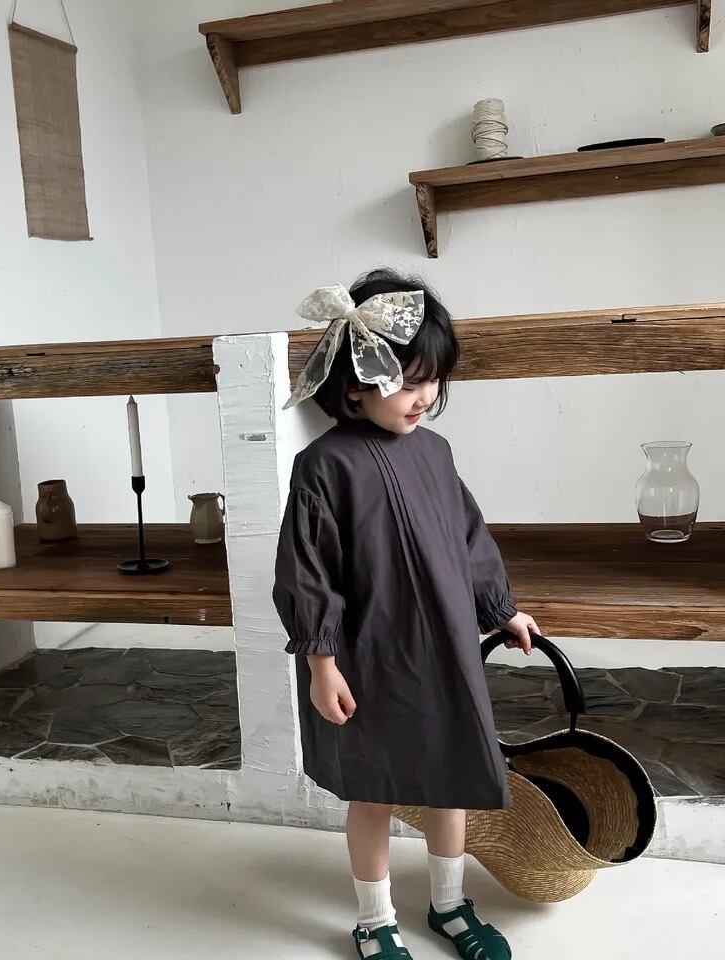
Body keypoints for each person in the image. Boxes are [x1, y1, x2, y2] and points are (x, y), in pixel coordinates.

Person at [272, 269, 540, 960]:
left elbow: (469, 539)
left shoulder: (436, 454)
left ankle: (448, 905)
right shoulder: (323, 467)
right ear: (355, 384)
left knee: (449, 781)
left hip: (441, 650)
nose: (425, 397)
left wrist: (502, 610)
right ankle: (374, 919)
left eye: (433, 381)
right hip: (367, 658)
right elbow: (308, 572)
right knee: (374, 790)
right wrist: (321, 663)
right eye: (407, 382)